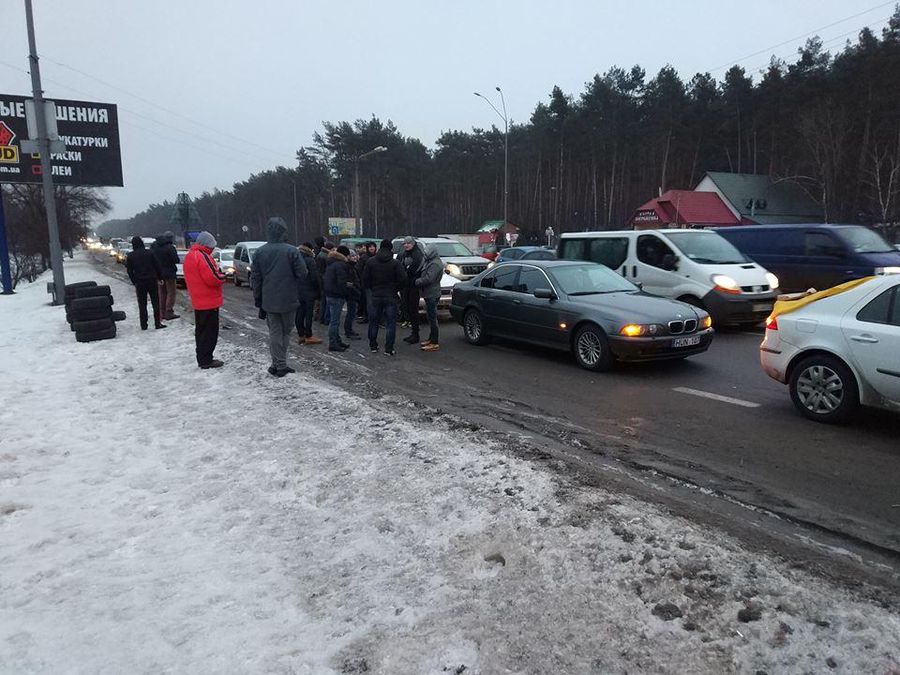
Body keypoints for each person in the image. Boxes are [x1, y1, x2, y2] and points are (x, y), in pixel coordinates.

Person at [251, 217, 308, 377]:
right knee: (285, 332)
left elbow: (255, 278)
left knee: (275, 332)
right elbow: (303, 273)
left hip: (268, 299)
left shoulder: (260, 252)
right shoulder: (292, 251)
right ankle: (281, 364)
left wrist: (258, 298)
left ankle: (276, 364)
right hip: (289, 297)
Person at [183, 231, 225, 368]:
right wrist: (223, 276)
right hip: (209, 301)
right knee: (210, 332)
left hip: (198, 300)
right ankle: (206, 360)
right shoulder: (203, 256)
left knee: (201, 332)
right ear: (207, 245)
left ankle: (202, 357)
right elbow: (213, 278)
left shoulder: (190, 256)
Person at [362, 238, 405, 356]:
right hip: (390, 295)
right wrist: (395, 289)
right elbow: (403, 279)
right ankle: (389, 348)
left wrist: (372, 288)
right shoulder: (395, 263)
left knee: (373, 321)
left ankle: (373, 346)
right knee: (390, 323)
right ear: (391, 249)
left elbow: (365, 279)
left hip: (375, 295)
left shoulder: (371, 261)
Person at [125, 236, 166, 331]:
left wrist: (134, 281)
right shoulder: (150, 253)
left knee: (142, 304)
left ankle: (144, 324)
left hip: (140, 282)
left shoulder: (131, 256)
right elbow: (157, 266)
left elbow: (129, 271)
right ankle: (157, 323)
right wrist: (160, 277)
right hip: (152, 280)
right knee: (155, 302)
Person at [323, 245, 353, 351]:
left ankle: (337, 340)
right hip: (337, 295)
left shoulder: (331, 262)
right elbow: (341, 282)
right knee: (335, 321)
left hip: (329, 294)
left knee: (334, 320)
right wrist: (349, 287)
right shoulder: (341, 265)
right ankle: (333, 343)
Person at [415, 244, 444, 351]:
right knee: (430, 317)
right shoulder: (429, 261)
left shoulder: (435, 264)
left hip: (432, 293)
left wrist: (417, 281)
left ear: (432, 252)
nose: (425, 253)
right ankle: (431, 339)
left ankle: (434, 342)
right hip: (428, 293)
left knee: (432, 318)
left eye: (427, 251)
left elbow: (429, 279)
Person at [296, 242, 323, 345]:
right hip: (309, 290)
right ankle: (308, 335)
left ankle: (301, 334)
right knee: (308, 313)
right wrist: (318, 290)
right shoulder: (309, 260)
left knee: (299, 313)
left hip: (298, 290)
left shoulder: (296, 258)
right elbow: (314, 277)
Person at [152, 230, 180, 320]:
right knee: (171, 293)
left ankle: (162, 312)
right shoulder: (170, 247)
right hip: (170, 273)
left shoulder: (154, 247)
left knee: (162, 293)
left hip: (159, 274)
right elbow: (176, 260)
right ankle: (169, 311)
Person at [344, 249, 364, 341]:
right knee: (351, 313)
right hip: (351, 294)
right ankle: (348, 331)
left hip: (353, 293)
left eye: (355, 255)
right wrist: (356, 290)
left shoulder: (353, 266)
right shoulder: (348, 267)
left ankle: (349, 330)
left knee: (352, 313)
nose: (355, 257)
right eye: (352, 256)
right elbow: (349, 283)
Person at [317, 241, 335, 324]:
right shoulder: (326, 256)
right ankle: (326, 318)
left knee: (323, 300)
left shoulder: (321, 254)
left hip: (321, 278)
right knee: (326, 300)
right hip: (325, 279)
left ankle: (322, 318)